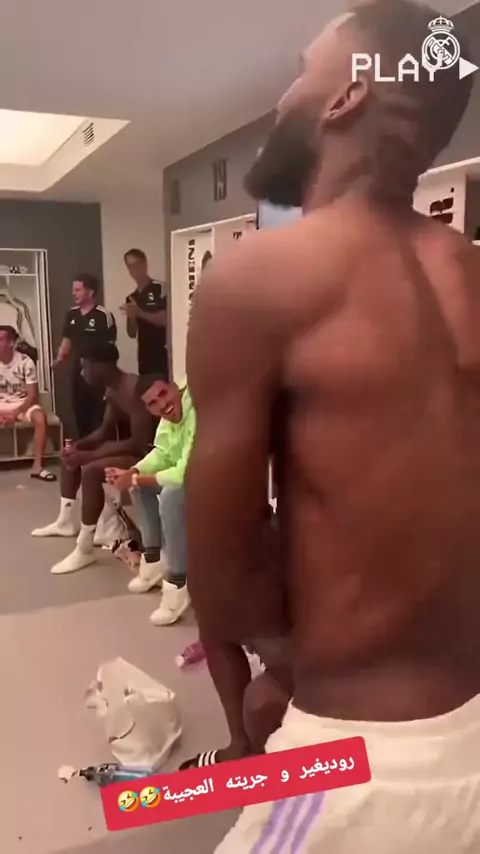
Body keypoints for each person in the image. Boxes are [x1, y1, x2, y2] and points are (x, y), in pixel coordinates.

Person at [186, 2, 480, 851]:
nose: (283, 97)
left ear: (349, 95)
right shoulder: (471, 273)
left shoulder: (260, 276)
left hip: (352, 759)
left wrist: (291, 669)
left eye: (300, 70)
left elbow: (224, 580)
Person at [32, 343, 155, 575]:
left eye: (85, 366)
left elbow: (139, 443)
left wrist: (90, 455)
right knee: (71, 454)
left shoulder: (134, 389)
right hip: (135, 450)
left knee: (91, 469)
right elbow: (104, 431)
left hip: (150, 455)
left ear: (103, 366)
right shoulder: (112, 389)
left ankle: (84, 549)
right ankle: (65, 521)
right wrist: (79, 446)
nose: (82, 372)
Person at [106, 379, 194, 626]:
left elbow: (185, 472)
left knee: (171, 495)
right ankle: (154, 559)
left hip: (209, 477)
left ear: (175, 388)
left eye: (164, 394)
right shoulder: (167, 420)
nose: (162, 405)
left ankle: (178, 580)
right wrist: (132, 472)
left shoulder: (195, 410)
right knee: (139, 485)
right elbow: (162, 453)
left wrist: (135, 477)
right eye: (153, 403)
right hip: (187, 477)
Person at [55, 274, 117, 438]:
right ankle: (83, 448)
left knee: (98, 414)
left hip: (98, 373)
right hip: (78, 371)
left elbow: (111, 348)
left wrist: (109, 380)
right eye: (73, 290)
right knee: (80, 412)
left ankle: (101, 449)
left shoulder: (104, 315)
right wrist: (58, 360)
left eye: (77, 290)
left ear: (90, 292)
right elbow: (66, 341)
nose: (73, 293)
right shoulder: (71, 314)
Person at [0, 325, 56, 481]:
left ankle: (37, 466)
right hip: (1, 403)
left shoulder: (25, 362)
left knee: (40, 417)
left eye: (0, 339)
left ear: (11, 343)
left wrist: (15, 413)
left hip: (22, 403)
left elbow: (32, 395)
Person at [121, 248, 169, 379]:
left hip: (164, 354)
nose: (134, 269)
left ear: (145, 264)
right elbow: (132, 333)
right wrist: (132, 317)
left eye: (137, 264)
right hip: (144, 357)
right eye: (130, 266)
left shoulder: (161, 288)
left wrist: (139, 312)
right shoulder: (131, 297)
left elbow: (165, 320)